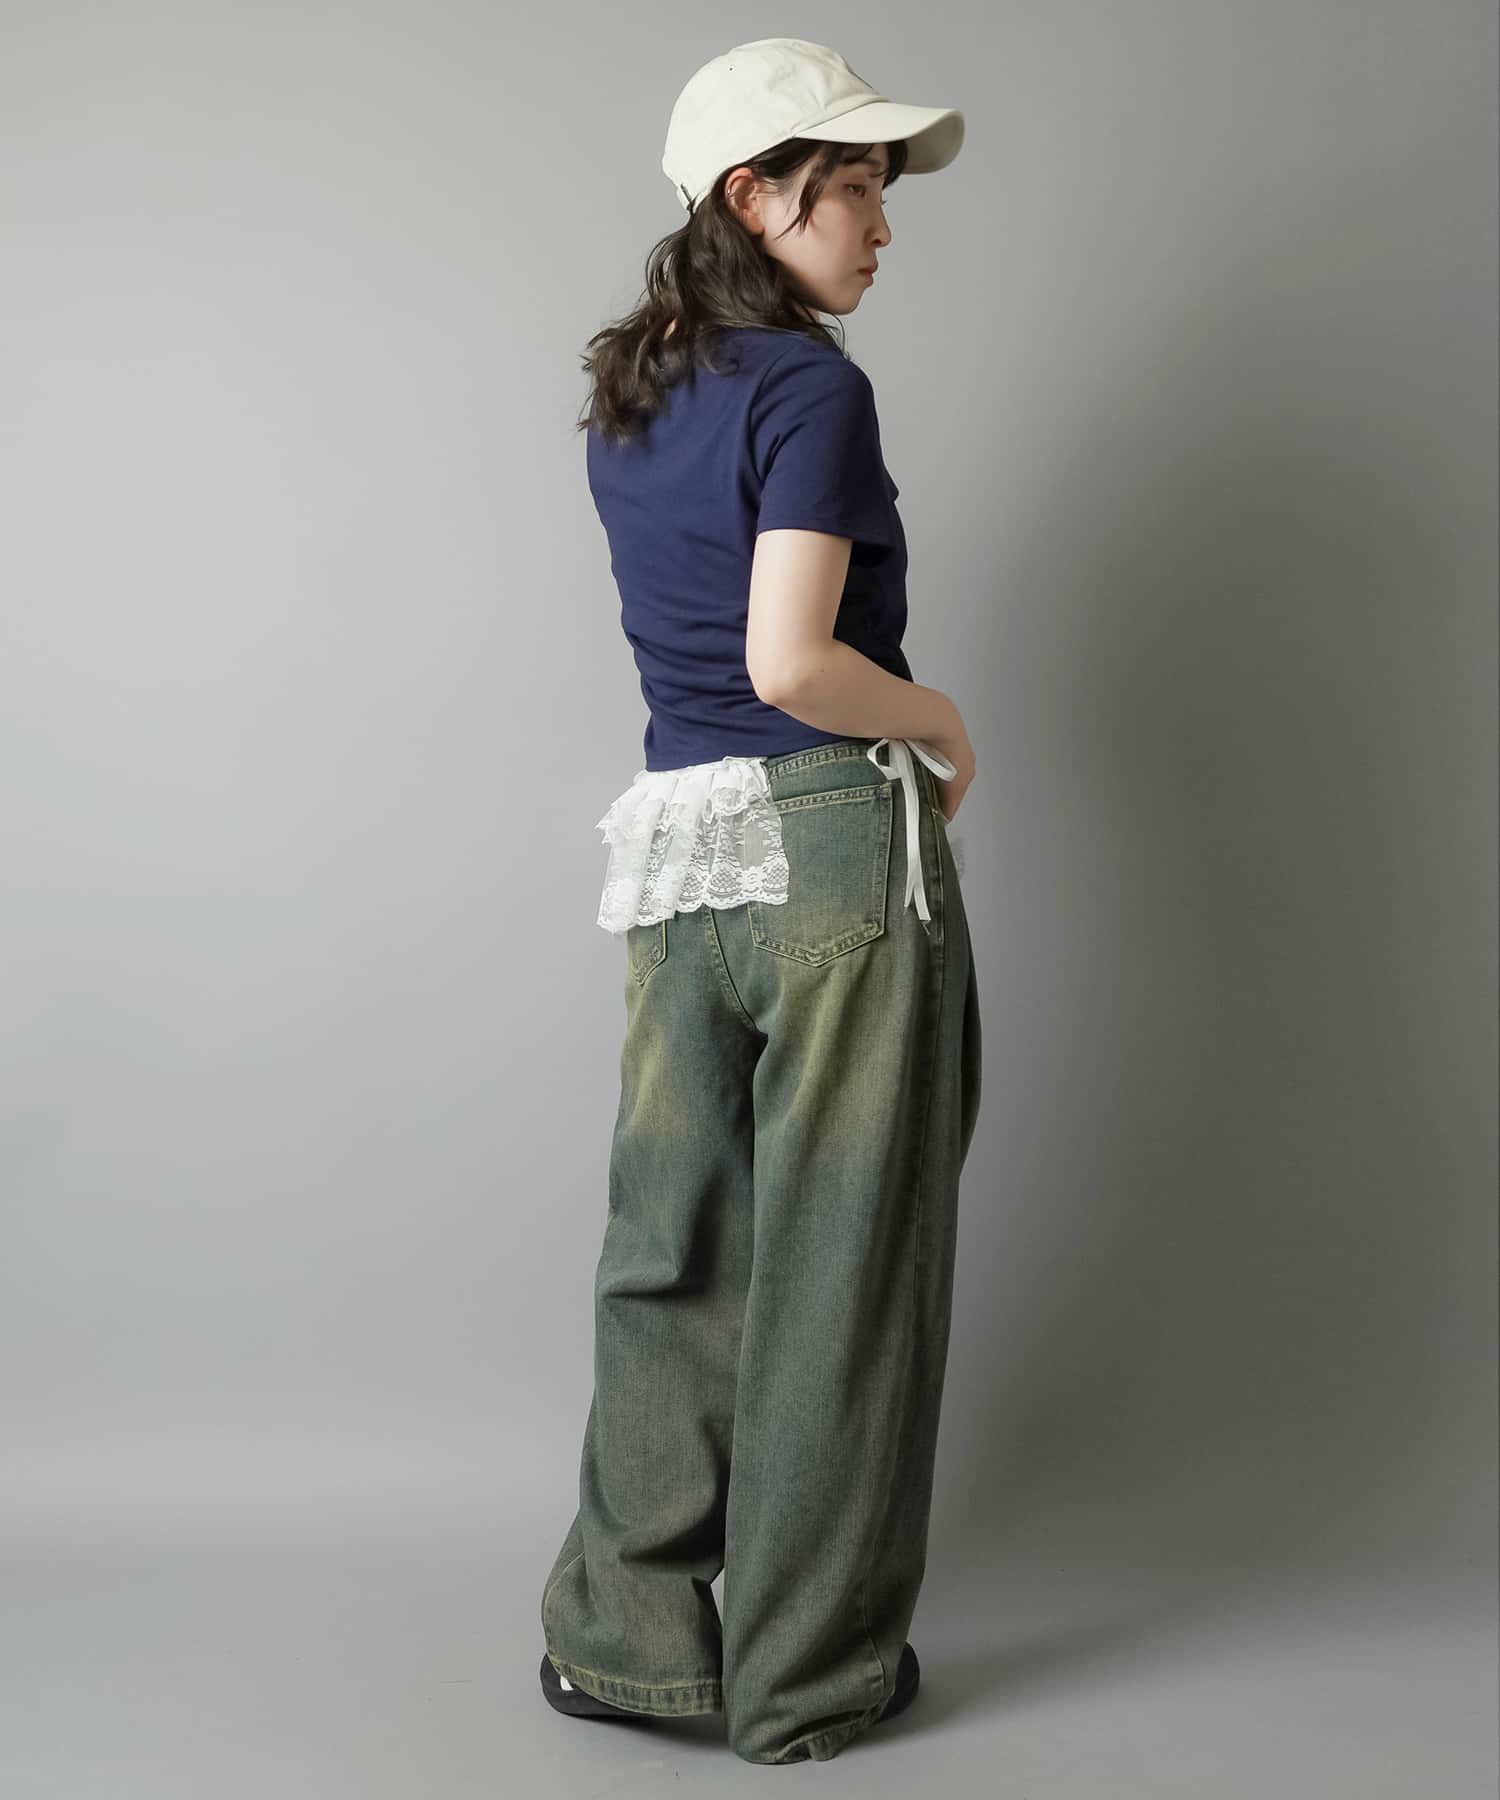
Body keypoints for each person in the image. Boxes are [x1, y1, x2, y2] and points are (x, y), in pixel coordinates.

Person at [539, 37, 982, 1766]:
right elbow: (794, 663)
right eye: (853, 186)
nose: (882, 223)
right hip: (826, 842)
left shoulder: (632, 393)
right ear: (753, 194)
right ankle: (808, 1673)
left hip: (675, 850)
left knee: (675, 1244)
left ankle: (629, 1643)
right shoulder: (810, 391)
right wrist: (938, 719)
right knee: (844, 1255)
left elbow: (708, 663)